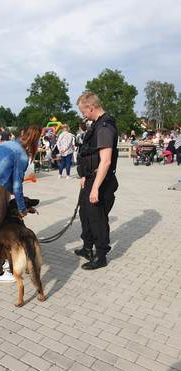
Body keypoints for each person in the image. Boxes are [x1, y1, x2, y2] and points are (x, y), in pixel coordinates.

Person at [0, 126, 41, 282]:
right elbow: (17, 186)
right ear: (34, 140)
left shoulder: (6, 144)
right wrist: (22, 208)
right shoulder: (21, 154)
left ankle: (3, 263)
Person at [75, 91, 119, 270]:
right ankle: (87, 248)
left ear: (91, 107)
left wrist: (95, 188)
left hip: (100, 181)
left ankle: (101, 256)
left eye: (83, 111)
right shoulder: (96, 125)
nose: (83, 115)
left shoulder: (105, 127)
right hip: (91, 177)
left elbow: (106, 160)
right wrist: (85, 175)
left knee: (97, 219)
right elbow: (90, 153)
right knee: (85, 214)